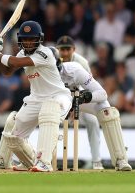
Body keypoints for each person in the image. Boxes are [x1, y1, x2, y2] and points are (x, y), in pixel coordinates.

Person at [0, 21, 72, 172]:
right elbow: (7, 71)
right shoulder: (22, 53)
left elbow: (17, 62)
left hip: (58, 97)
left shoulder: (45, 53)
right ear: (20, 40)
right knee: (14, 135)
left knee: (48, 112)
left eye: (31, 39)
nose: (28, 42)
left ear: (39, 39)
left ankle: (44, 163)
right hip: (36, 99)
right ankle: (8, 160)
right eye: (25, 39)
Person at [56, 35, 104, 169]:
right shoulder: (54, 60)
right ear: (57, 49)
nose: (65, 53)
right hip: (60, 98)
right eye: (62, 49)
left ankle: (96, 160)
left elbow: (87, 86)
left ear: (74, 49)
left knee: (92, 121)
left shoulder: (81, 62)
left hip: (79, 97)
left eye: (67, 49)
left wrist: (75, 106)